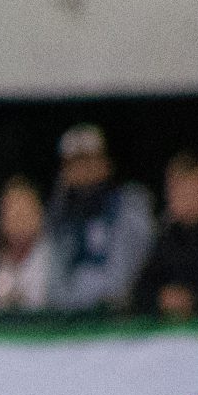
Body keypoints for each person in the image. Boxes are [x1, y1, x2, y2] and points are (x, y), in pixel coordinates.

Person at [46, 123, 154, 312]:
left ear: (105, 164)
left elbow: (138, 261)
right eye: (74, 164)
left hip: (119, 315)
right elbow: (54, 277)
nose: (83, 170)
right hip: (70, 319)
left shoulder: (129, 204)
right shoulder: (58, 217)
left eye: (89, 161)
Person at [135, 151, 198, 321]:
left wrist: (193, 299)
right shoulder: (167, 238)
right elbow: (141, 289)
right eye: (181, 190)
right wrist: (160, 298)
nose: (190, 199)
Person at [0, 174, 53, 314]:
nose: (19, 217)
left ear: (40, 214)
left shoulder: (56, 258)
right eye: (12, 211)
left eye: (25, 210)